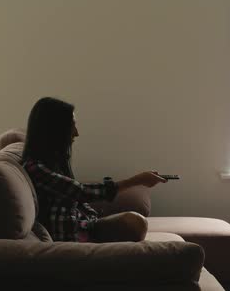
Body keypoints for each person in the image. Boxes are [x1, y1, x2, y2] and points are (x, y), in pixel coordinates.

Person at [21, 96, 167, 242]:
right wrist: (138, 180)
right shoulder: (35, 169)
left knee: (135, 222)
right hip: (73, 238)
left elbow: (78, 199)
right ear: (54, 129)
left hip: (86, 226)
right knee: (135, 223)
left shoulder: (52, 164)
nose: (76, 133)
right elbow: (81, 192)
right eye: (71, 125)